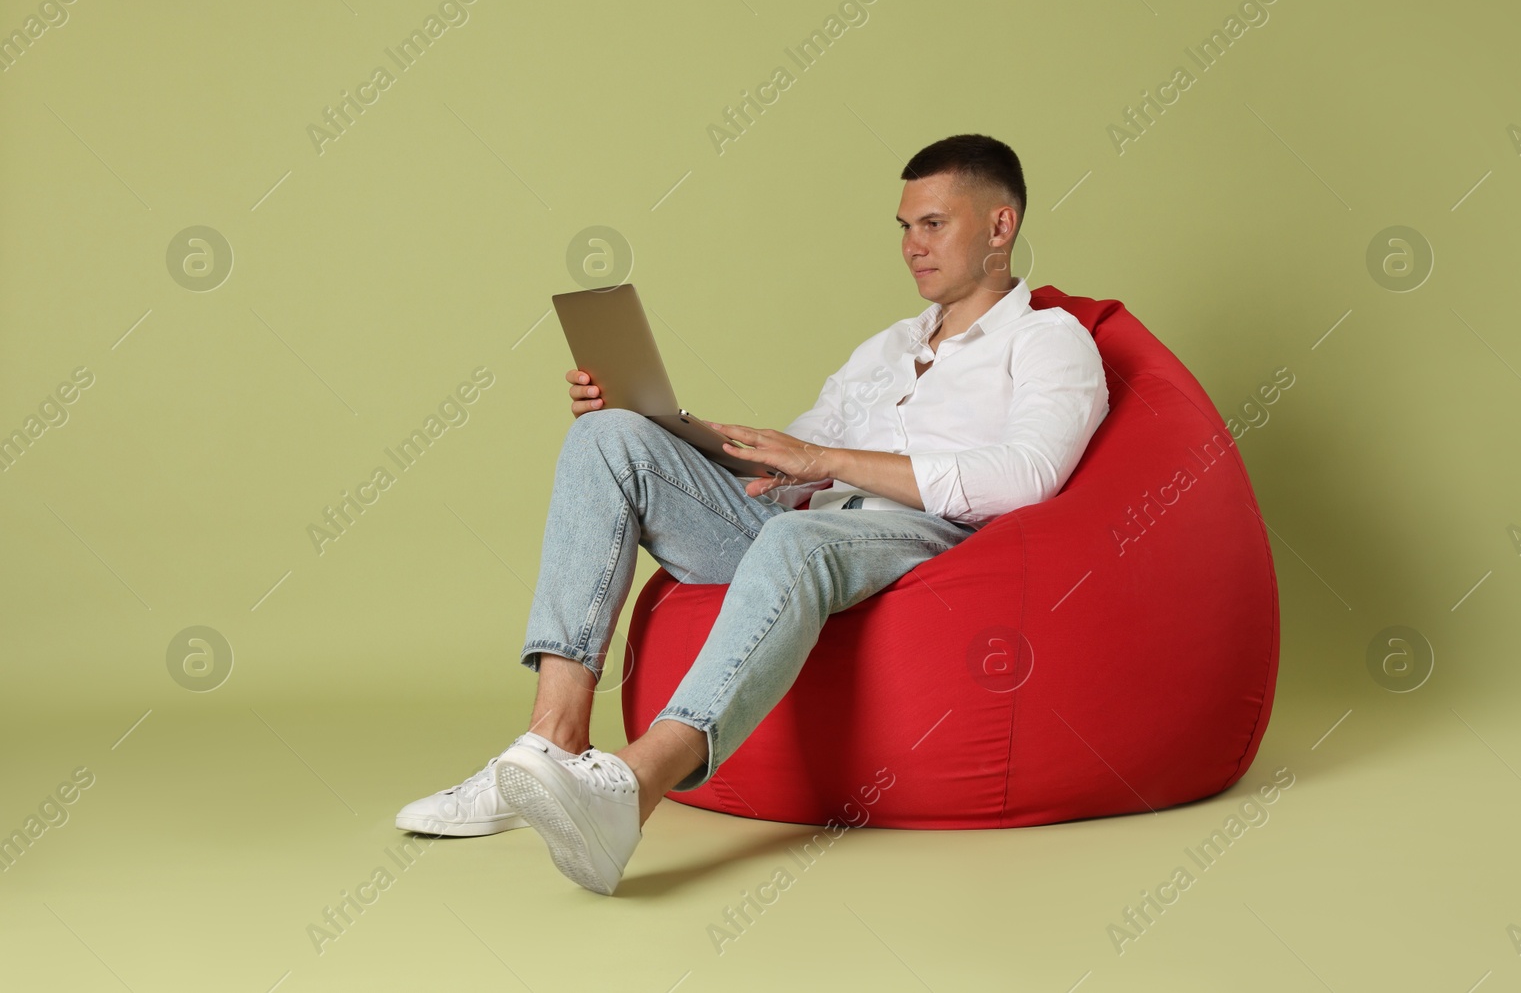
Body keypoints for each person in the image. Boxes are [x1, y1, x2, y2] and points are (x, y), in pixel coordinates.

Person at [395, 133, 1111, 894]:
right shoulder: (887, 348)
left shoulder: (1049, 340)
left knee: (801, 535)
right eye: (903, 227)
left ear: (1000, 227)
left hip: (920, 539)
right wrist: (670, 428)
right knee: (607, 438)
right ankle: (552, 743)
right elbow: (792, 467)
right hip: (804, 525)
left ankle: (629, 791)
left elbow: (1028, 477)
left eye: (932, 223)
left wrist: (826, 463)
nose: (911, 246)